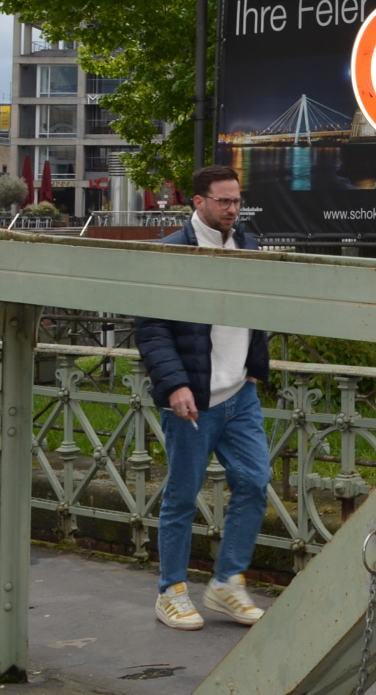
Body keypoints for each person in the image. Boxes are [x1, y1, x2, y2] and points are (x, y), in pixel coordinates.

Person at [135, 164, 272, 631]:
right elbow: (151, 328)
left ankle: (227, 583)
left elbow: (259, 309)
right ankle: (171, 591)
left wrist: (254, 369)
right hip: (192, 398)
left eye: (237, 200)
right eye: (223, 201)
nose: (233, 209)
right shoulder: (171, 252)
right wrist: (175, 385)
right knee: (182, 496)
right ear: (197, 201)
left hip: (239, 394)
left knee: (254, 482)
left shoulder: (248, 246)